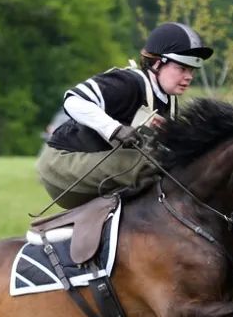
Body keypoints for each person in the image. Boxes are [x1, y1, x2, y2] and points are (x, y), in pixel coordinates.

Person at [35, 22, 213, 209]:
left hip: (93, 172)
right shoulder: (128, 83)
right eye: (182, 69)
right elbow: (73, 100)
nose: (189, 77)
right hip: (61, 166)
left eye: (192, 70)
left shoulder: (170, 102)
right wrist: (115, 129)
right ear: (158, 63)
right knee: (154, 164)